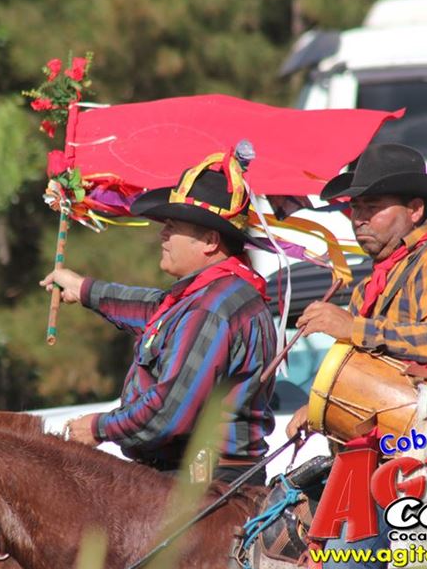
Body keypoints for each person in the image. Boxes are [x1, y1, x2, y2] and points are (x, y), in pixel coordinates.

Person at [286, 142, 427, 569]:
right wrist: (319, 405)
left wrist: (353, 327)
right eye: (355, 208)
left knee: (344, 566)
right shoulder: (376, 281)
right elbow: (369, 369)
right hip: (380, 457)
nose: (358, 219)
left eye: (373, 207)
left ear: (415, 209)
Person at [40, 149, 277, 486]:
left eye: (172, 227)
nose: (161, 235)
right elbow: (156, 310)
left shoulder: (210, 309)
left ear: (210, 241)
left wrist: (98, 427)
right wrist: (84, 289)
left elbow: (168, 412)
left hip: (203, 487)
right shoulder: (215, 294)